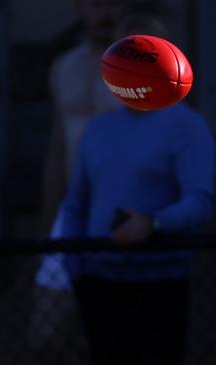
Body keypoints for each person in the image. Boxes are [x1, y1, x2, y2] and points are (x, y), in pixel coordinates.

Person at [58, 14, 215, 364]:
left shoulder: (187, 126)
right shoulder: (99, 129)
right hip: (98, 281)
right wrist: (74, 266)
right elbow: (76, 202)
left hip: (159, 282)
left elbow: (201, 200)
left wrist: (153, 224)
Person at [31, 0, 127, 363]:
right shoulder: (64, 67)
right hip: (72, 214)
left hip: (122, 215)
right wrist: (47, 219)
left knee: (113, 333)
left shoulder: (139, 71)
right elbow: (59, 146)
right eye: (95, 3)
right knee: (46, 334)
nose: (105, 12)